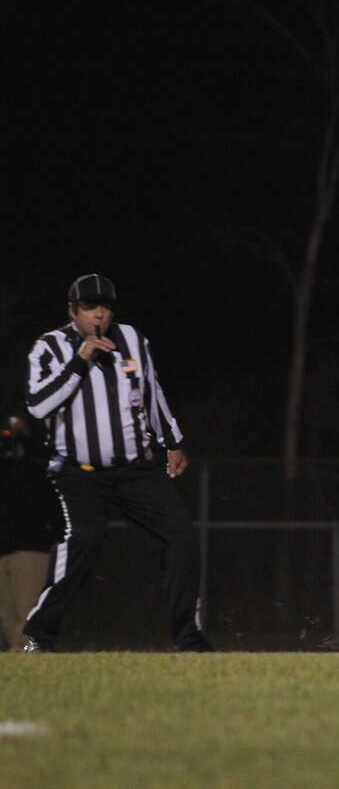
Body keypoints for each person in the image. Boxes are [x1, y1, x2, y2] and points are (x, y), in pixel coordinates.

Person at [20, 273, 212, 652]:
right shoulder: (50, 347)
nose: (99, 315)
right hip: (78, 471)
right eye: (90, 307)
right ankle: (39, 635)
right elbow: (38, 405)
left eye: (105, 307)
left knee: (182, 538)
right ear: (73, 311)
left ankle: (187, 637)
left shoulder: (132, 340)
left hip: (134, 469)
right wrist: (81, 360)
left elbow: (152, 392)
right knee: (85, 541)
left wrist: (172, 440)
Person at [0, 413, 58, 651]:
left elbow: (52, 505)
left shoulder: (38, 468)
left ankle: (36, 666)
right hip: (3, 546)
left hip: (31, 547)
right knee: (8, 619)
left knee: (28, 615)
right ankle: (22, 669)